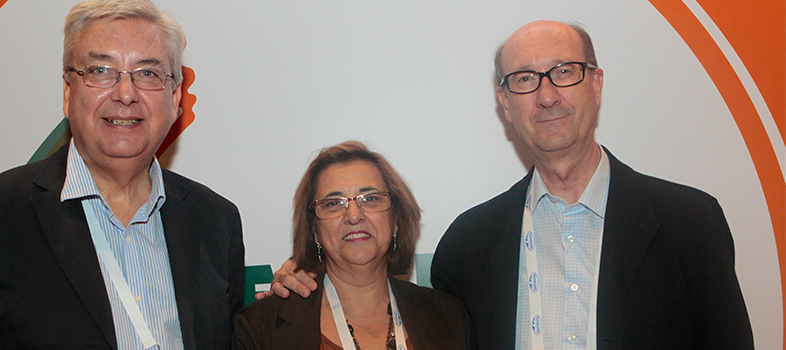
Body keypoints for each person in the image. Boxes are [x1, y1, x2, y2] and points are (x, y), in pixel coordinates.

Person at [262, 21, 754, 349]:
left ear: (597, 83)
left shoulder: (690, 223)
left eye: (564, 72)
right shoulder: (470, 244)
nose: (546, 96)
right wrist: (301, 281)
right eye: (524, 79)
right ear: (504, 101)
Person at [0, 0, 244, 349]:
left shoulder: (216, 221)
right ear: (67, 91)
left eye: (148, 73)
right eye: (101, 71)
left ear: (175, 96)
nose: (125, 94)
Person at [235, 141, 469, 350]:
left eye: (370, 198)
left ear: (396, 219)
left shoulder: (449, 317)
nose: (354, 215)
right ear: (314, 230)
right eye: (334, 203)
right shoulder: (261, 327)